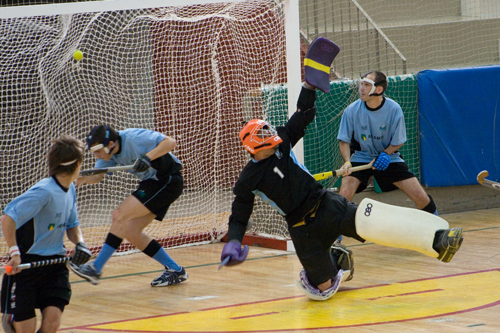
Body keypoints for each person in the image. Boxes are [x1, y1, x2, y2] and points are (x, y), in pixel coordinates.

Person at [219, 82, 463, 301]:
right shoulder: (247, 179)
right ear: (252, 144)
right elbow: (239, 215)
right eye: (263, 133)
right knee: (322, 288)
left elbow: (303, 115)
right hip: (301, 229)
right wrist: (233, 242)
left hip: (327, 204)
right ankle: (337, 262)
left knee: (377, 223)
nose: (270, 132)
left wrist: (309, 87)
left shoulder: (283, 141)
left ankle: (439, 238)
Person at [69, 125, 187, 287]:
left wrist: (147, 157)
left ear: (110, 144)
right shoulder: (106, 156)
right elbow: (98, 176)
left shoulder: (134, 138)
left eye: (97, 150)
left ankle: (95, 268)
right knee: (131, 231)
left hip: (167, 180)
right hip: (151, 183)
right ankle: (175, 270)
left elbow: (170, 142)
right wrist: (83, 179)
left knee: (120, 216)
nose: (96, 155)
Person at [1, 135, 92, 333]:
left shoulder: (71, 190)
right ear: (78, 164)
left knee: (52, 322)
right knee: (26, 329)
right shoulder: (44, 191)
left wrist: (80, 243)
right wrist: (14, 252)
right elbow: (8, 217)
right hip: (26, 266)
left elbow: (72, 225)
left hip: (55, 265)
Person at [337, 70, 438, 215]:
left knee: (421, 196)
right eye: (361, 84)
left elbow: (398, 141)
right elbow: (344, 141)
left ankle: (439, 230)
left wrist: (385, 154)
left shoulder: (394, 109)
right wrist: (347, 161)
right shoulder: (351, 110)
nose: (361, 88)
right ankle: (336, 236)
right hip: (360, 157)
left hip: (389, 158)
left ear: (379, 89)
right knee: (343, 195)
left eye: (367, 85)